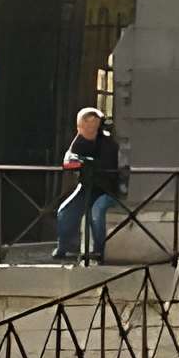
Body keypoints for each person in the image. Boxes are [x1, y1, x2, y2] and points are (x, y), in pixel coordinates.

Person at [55, 106, 123, 264]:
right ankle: (64, 246)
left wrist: (85, 162)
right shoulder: (80, 140)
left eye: (93, 125)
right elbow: (69, 159)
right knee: (64, 211)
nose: (88, 129)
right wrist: (75, 161)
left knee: (96, 212)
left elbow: (106, 166)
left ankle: (98, 251)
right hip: (87, 187)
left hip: (106, 189)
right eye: (84, 126)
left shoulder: (108, 143)